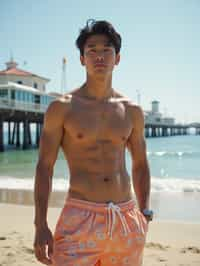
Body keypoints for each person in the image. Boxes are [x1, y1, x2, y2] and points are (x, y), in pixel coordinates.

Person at [34, 19, 153, 266]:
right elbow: (45, 166)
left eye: (106, 49)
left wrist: (145, 211)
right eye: (91, 50)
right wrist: (40, 224)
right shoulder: (61, 108)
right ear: (82, 59)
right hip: (79, 216)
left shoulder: (132, 111)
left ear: (117, 58)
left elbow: (140, 164)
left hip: (125, 217)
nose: (99, 56)